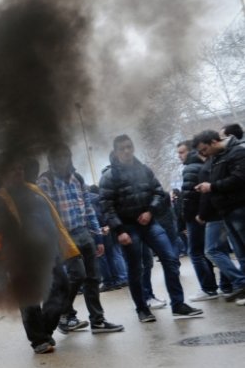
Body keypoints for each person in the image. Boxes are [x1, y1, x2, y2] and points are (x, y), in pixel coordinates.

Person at [99, 135, 202, 322]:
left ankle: (178, 304)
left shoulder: (144, 170)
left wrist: (150, 211)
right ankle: (142, 308)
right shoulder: (109, 177)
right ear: (116, 151)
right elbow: (107, 206)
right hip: (127, 226)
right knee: (136, 268)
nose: (127, 151)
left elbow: (157, 192)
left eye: (129, 147)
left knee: (170, 258)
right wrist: (120, 230)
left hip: (149, 222)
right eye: (122, 148)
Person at [0, 158, 79, 354]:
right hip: (21, 257)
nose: (18, 172)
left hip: (48, 251)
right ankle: (38, 340)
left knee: (62, 286)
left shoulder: (35, 191)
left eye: (20, 167)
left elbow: (53, 218)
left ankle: (45, 328)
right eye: (13, 169)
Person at [37, 144, 124, 334]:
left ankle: (98, 321)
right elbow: (46, 213)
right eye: (58, 157)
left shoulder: (77, 178)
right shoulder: (46, 181)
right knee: (78, 274)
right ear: (51, 160)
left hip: (84, 233)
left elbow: (88, 208)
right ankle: (64, 313)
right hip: (63, 236)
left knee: (93, 278)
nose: (63, 160)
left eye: (66, 156)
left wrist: (98, 237)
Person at [193, 128, 245, 304]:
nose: (202, 154)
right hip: (227, 210)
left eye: (204, 150)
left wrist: (212, 187)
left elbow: (239, 178)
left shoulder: (237, 151)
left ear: (213, 142)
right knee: (240, 253)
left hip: (239, 208)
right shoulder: (217, 157)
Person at [178, 139, 229, 301]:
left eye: (182, 152)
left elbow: (188, 197)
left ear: (191, 151)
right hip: (211, 214)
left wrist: (185, 220)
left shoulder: (190, 169)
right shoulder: (208, 164)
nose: (179, 156)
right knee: (218, 250)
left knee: (196, 252)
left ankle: (208, 288)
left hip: (196, 217)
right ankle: (227, 285)